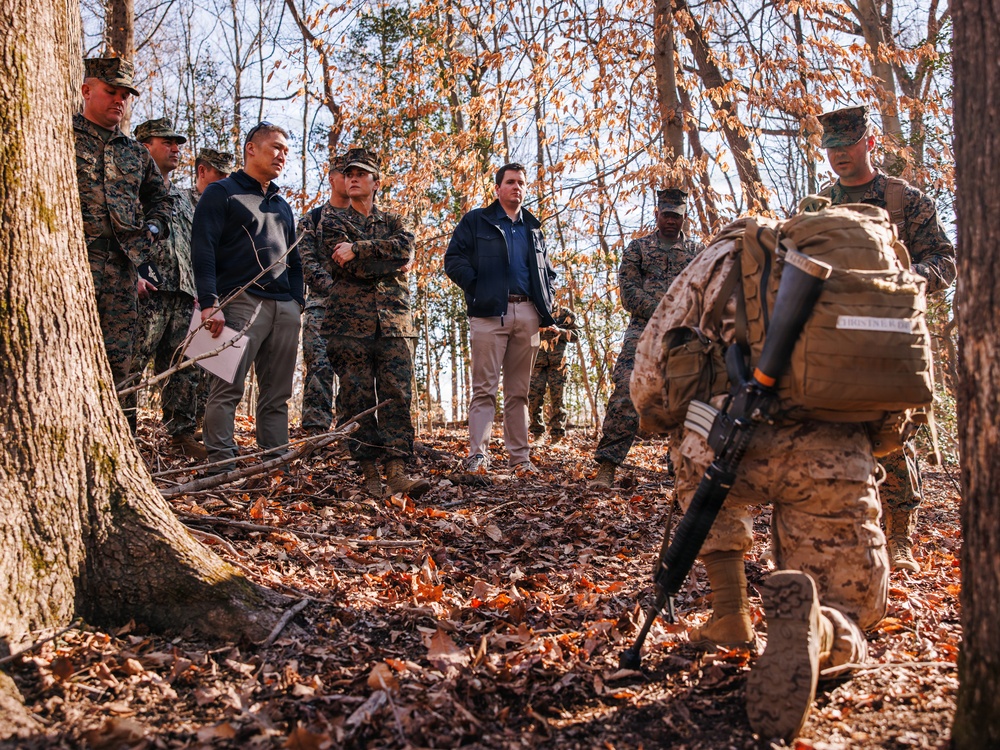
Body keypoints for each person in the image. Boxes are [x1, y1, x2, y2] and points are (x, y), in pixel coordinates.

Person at [630, 225, 890, 742]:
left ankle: (730, 614)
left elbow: (649, 379)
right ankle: (823, 632)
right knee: (852, 610)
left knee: (690, 443)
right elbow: (899, 387)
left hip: (730, 447)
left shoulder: (717, 257)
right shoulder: (866, 263)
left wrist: (661, 422)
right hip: (834, 456)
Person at [818, 104, 956, 572]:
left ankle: (900, 538)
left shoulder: (903, 199)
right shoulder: (821, 206)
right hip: (836, 339)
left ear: (869, 143)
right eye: (831, 148)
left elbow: (945, 261)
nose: (839, 155)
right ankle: (850, 531)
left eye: (847, 145)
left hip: (893, 335)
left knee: (894, 433)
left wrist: (907, 277)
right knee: (834, 433)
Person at [302, 148, 429, 497]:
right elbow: (353, 268)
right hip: (347, 323)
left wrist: (359, 249)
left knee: (396, 395)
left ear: (376, 182)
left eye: (361, 173)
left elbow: (404, 248)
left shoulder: (394, 220)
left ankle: (398, 469)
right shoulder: (331, 222)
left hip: (394, 323)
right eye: (348, 173)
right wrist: (382, 258)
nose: (353, 178)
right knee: (355, 397)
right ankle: (370, 471)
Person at [191, 122, 304, 464]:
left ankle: (275, 460)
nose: (282, 155)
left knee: (277, 394)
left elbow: (293, 257)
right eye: (275, 147)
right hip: (238, 303)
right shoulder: (221, 192)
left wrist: (297, 301)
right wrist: (210, 302)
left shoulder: (282, 204)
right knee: (227, 389)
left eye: (286, 149)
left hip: (283, 308)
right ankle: (222, 462)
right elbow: (203, 248)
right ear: (251, 149)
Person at [444, 163, 558, 477]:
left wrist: (545, 304)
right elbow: (453, 260)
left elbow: (548, 273)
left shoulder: (533, 228)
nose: (516, 187)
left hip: (527, 314)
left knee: (519, 392)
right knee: (484, 390)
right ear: (497, 189)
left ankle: (520, 461)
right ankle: (477, 457)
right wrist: (479, 288)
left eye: (521, 182)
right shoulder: (476, 221)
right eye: (510, 182)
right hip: (488, 313)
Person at [74, 58, 172, 415]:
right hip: (74, 264)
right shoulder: (60, 136)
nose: (119, 100)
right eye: (110, 91)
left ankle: (121, 440)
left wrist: (152, 229)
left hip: (121, 270)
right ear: (86, 90)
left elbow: (161, 200)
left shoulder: (134, 152)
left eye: (125, 95)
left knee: (120, 363)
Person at [591, 188, 704, 488]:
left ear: (683, 218)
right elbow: (628, 292)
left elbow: (707, 291)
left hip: (684, 333)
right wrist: (663, 312)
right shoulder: (638, 249)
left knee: (686, 395)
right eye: (666, 215)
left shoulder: (697, 252)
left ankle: (681, 468)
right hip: (644, 331)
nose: (671, 221)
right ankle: (607, 465)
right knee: (626, 389)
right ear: (657, 214)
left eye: (676, 217)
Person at [132, 118, 207, 458]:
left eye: (178, 143)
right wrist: (135, 274)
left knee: (183, 367)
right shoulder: (129, 188)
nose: (176, 149)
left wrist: (198, 293)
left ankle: (181, 435)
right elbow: (123, 236)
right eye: (168, 142)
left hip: (183, 295)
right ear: (145, 145)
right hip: (147, 292)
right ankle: (122, 433)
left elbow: (195, 247)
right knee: (131, 364)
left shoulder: (184, 198)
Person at [296, 153, 351, 435]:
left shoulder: (367, 220)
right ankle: (315, 431)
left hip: (359, 310)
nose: (352, 179)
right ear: (332, 179)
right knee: (319, 367)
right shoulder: (312, 219)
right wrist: (338, 290)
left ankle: (349, 431)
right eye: (345, 174)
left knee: (354, 372)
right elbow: (308, 266)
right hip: (321, 307)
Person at [528, 304, 577, 444]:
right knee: (534, 399)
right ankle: (537, 435)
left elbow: (577, 335)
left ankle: (557, 437)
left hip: (558, 364)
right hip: (537, 363)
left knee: (558, 400)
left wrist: (560, 331)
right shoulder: (533, 310)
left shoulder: (564, 313)